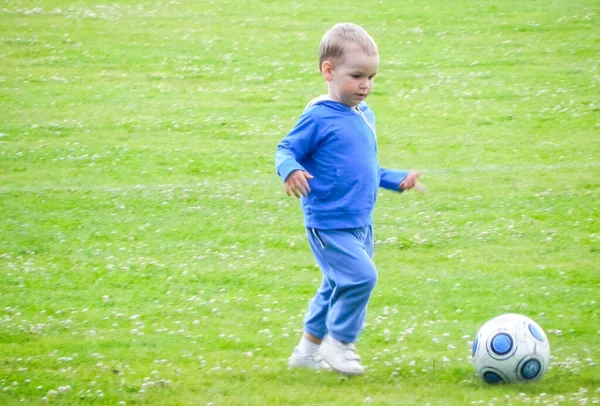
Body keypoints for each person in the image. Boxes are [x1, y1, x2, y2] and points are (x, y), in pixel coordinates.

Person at [274, 22, 422, 376]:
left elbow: (364, 167)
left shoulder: (364, 115)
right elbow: (285, 149)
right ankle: (339, 342)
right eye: (357, 76)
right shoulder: (318, 116)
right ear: (328, 71)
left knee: (334, 286)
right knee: (361, 277)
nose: (366, 85)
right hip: (328, 222)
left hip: (360, 221)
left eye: (372, 77)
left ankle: (306, 353)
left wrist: (395, 179)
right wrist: (290, 170)